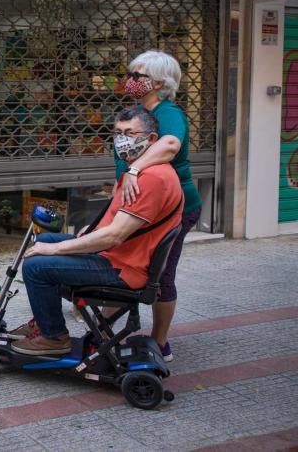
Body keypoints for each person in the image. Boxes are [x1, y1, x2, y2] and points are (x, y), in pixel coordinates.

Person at [9, 107, 184, 356]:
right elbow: (113, 227)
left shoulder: (152, 178)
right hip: (118, 255)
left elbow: (114, 236)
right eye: (118, 132)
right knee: (45, 239)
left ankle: (54, 337)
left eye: (130, 133)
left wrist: (55, 249)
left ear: (151, 139)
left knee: (36, 265)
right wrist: (75, 238)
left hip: (123, 268)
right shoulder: (139, 171)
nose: (122, 139)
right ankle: (43, 321)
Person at [115, 50, 200, 362]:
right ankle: (106, 330)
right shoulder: (136, 112)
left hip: (174, 207)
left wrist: (136, 170)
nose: (130, 80)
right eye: (130, 74)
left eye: (138, 76)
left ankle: (160, 342)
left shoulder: (169, 113)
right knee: (117, 262)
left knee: (161, 274)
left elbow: (170, 145)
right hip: (139, 204)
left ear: (159, 82)